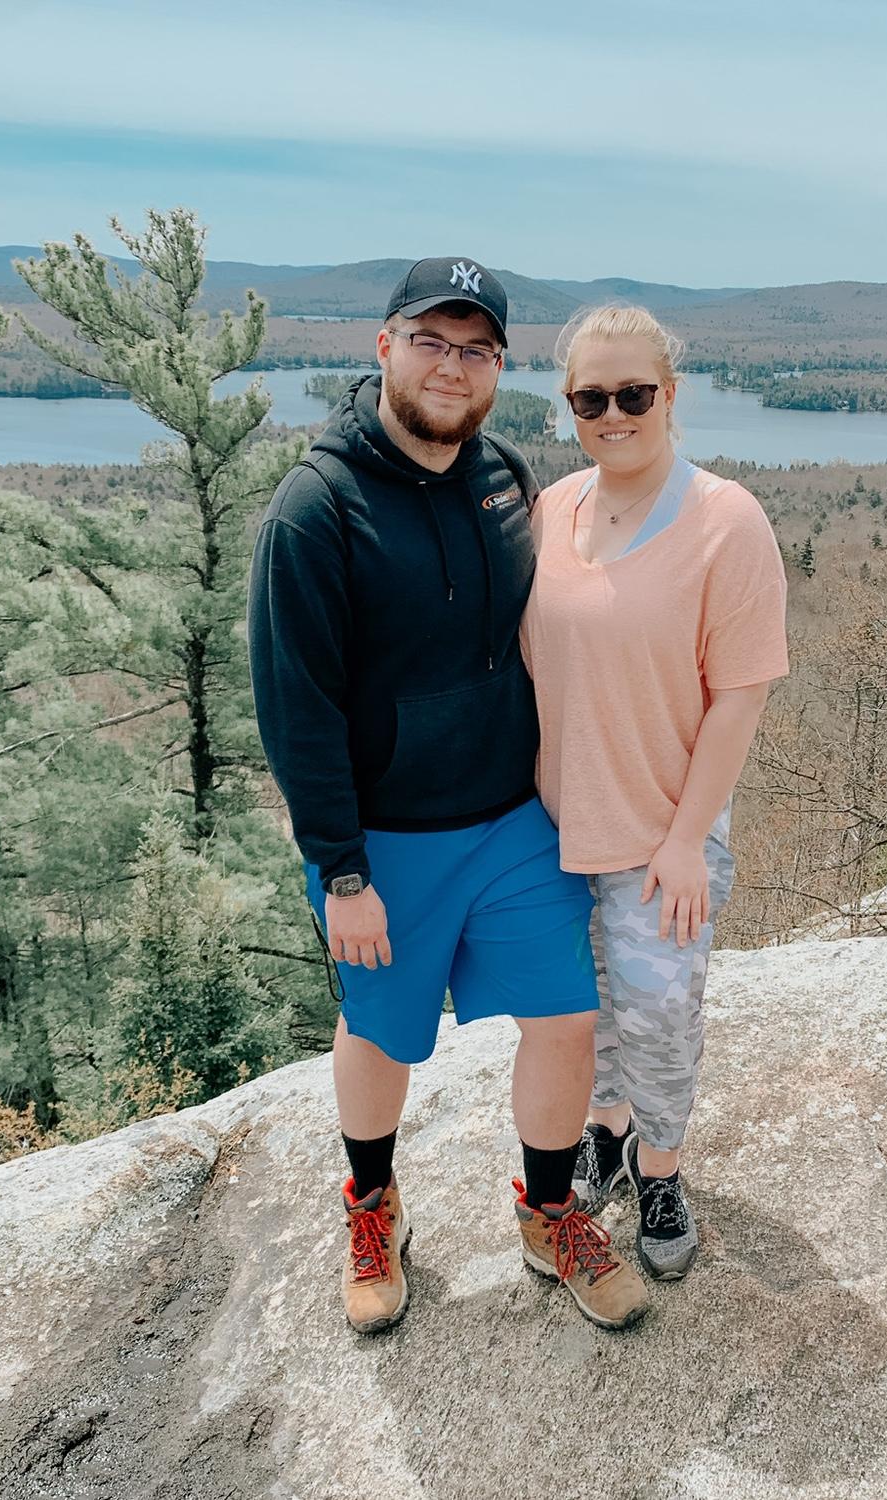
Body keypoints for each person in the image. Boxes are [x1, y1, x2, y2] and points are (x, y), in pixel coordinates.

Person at [247, 259, 648, 1335]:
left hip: (515, 823)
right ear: (383, 347)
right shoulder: (315, 511)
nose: (450, 365)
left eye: (475, 348)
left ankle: (550, 1210)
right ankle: (373, 1208)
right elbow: (296, 709)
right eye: (430, 340)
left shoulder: (504, 477)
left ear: (498, 369)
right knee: (380, 1035)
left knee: (566, 1020)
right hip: (385, 842)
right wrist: (342, 871)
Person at [520, 304, 789, 1280]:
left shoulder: (725, 521)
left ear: (671, 396)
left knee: (661, 1014)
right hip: (554, 827)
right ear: (570, 407)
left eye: (635, 394)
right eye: (592, 398)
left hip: (662, 831)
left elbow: (741, 693)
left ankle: (660, 1166)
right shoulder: (553, 510)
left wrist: (684, 842)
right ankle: (605, 1124)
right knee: (584, 1013)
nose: (613, 413)